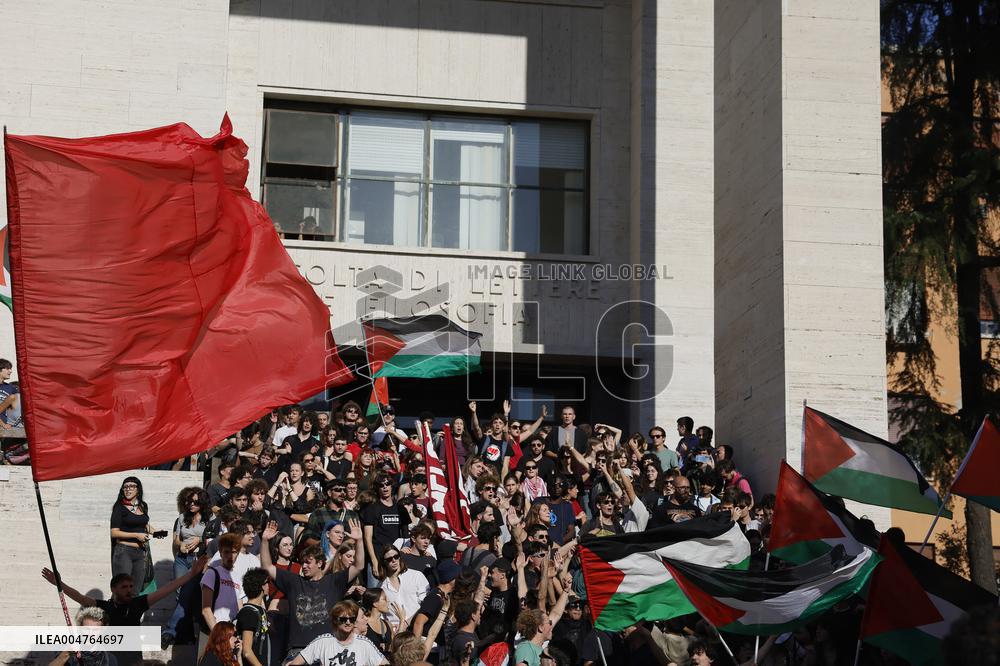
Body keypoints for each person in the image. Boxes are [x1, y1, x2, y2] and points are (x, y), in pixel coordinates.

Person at [41, 556, 208, 666]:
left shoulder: (137, 604)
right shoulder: (104, 607)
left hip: (133, 659)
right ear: (113, 589)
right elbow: (80, 598)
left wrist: (192, 574)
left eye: (130, 586)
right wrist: (59, 584)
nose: (129, 590)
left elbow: (168, 589)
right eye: (124, 587)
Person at [260, 518, 367, 660]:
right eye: (303, 563)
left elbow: (358, 566)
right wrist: (265, 541)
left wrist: (359, 541)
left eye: (308, 563)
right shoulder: (294, 581)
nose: (304, 566)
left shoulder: (334, 581)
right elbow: (267, 567)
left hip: (326, 650)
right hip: (298, 649)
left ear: (320, 563)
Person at [287, 600, 389, 666]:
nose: (348, 622)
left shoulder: (364, 643)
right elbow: (295, 663)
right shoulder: (323, 641)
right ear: (335, 620)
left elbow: (384, 663)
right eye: (344, 619)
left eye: (352, 619)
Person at [109, 477, 153, 589]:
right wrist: (137, 535)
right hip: (124, 551)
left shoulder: (143, 506)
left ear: (138, 489)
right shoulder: (119, 507)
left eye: (131, 486)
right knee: (122, 589)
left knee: (136, 590)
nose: (128, 489)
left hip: (141, 552)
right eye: (125, 487)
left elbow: (142, 524)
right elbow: (114, 533)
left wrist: (156, 531)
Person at [49, 607, 117, 666]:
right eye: (86, 629)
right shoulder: (66, 651)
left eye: (95, 630)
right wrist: (66, 654)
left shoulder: (110, 659)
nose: (90, 634)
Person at [411, 560, 461, 638]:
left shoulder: (444, 595)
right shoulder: (435, 597)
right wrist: (416, 648)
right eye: (458, 576)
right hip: (425, 644)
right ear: (451, 579)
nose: (460, 579)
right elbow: (418, 622)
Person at [236, 568, 271, 666]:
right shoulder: (249, 612)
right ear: (262, 586)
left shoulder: (260, 610)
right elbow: (247, 651)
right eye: (267, 582)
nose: (269, 585)